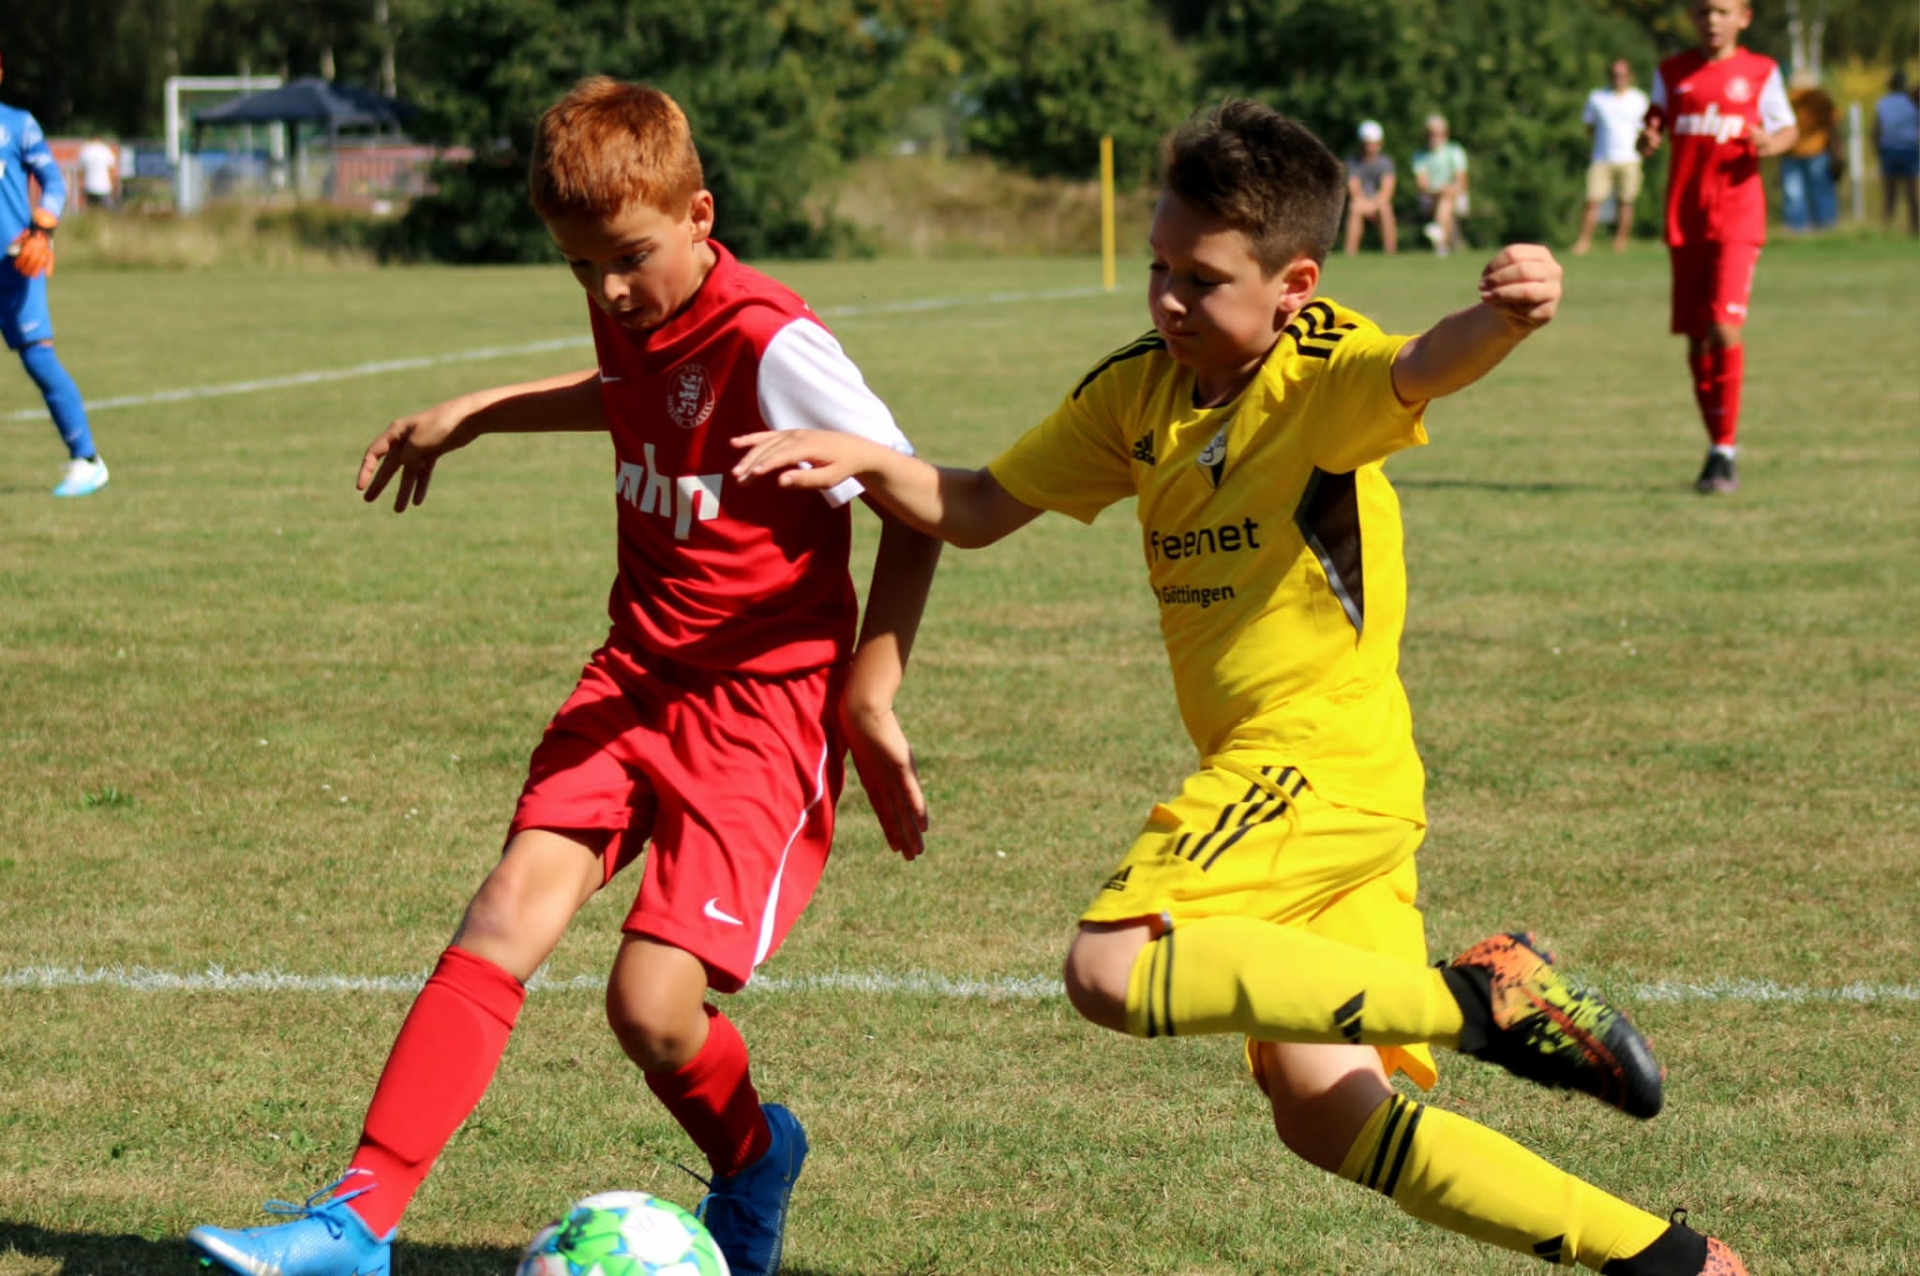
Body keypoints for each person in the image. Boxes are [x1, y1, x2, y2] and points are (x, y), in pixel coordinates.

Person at [732, 99, 1751, 1276]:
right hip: (1333, 789)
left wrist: (1503, 320)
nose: (1167, 298)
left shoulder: (1320, 372)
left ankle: (1481, 999)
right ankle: (1672, 1261)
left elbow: (1420, 365)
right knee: (1327, 1112)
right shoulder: (1139, 391)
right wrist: (869, 461)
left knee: (1109, 967)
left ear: (1294, 287)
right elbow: (976, 507)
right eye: (1159, 266)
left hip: (1312, 762)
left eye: (1202, 279)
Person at [184, 77, 941, 1276]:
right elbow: (630, 393)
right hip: (632, 676)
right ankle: (357, 1223)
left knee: (649, 1008)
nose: (609, 293)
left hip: (759, 711)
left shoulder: (774, 342)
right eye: (580, 269)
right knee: (502, 915)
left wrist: (868, 692)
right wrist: (481, 411)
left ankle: (754, 1155)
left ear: (700, 215)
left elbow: (917, 499)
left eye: (630, 259)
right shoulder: (630, 310)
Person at [1639, 0, 1796, 495]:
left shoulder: (1761, 71)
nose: (1713, 20)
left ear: (1744, 18)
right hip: (1685, 219)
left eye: (1723, 11)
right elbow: (1654, 119)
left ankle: (1725, 448)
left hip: (1737, 214)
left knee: (1724, 326)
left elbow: (1787, 127)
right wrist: (1648, 137)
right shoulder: (1671, 72)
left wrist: (1773, 143)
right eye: (1704, 11)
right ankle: (1716, 448)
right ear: (1692, 16)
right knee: (1696, 337)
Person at [0, 47, 108, 498]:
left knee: (39, 359)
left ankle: (87, 461)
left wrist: (43, 229)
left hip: (15, 266)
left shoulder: (17, 124)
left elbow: (54, 182)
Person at [1574, 59, 1652, 255]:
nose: (1619, 79)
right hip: (1602, 157)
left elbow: (1646, 129)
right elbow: (1589, 127)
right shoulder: (1597, 98)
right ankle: (1584, 242)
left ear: (1630, 77)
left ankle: (1620, 243)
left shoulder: (1639, 99)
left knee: (1625, 201)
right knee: (1593, 199)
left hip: (1630, 158)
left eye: (1623, 75)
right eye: (1615, 75)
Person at [1779, 73, 1839, 233]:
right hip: (1818, 150)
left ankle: (1796, 229)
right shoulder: (1821, 98)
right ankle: (1827, 228)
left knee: (1793, 193)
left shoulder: (1786, 98)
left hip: (1791, 151)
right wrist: (1837, 149)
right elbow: (1832, 125)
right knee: (1822, 191)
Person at [1411, 113, 1469, 255]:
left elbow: (1461, 183)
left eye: (1438, 134)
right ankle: (1443, 244)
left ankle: (1440, 241)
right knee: (1444, 201)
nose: (1434, 138)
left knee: (1446, 200)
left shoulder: (1454, 151)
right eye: (1431, 134)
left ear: (1445, 134)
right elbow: (1422, 185)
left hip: (1455, 196)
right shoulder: (1420, 156)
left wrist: (1446, 190)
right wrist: (1439, 191)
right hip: (1429, 198)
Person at [1875, 69, 1920, 236]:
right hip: (1909, 149)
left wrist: (1878, 149)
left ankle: (1886, 229)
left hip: (1889, 149)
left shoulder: (1883, 103)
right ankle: (1915, 229)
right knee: (1912, 193)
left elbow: (1877, 128)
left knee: (1889, 193)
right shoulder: (1913, 102)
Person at [1343, 119, 1396, 255]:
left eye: (1373, 143)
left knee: (1385, 208)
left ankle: (1390, 252)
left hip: (1378, 202)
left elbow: (1387, 191)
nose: (1370, 147)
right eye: (1367, 143)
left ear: (1380, 143)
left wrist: (1374, 205)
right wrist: (1365, 205)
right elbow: (1354, 188)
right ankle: (1350, 253)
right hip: (1361, 202)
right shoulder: (1352, 162)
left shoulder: (1386, 162)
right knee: (1354, 208)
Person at [76, 134, 118, 212]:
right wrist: (114, 185)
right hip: (104, 187)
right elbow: (111, 170)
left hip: (89, 186)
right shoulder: (106, 150)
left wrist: (81, 186)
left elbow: (81, 172)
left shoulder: (85, 151)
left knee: (92, 211)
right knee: (107, 212)